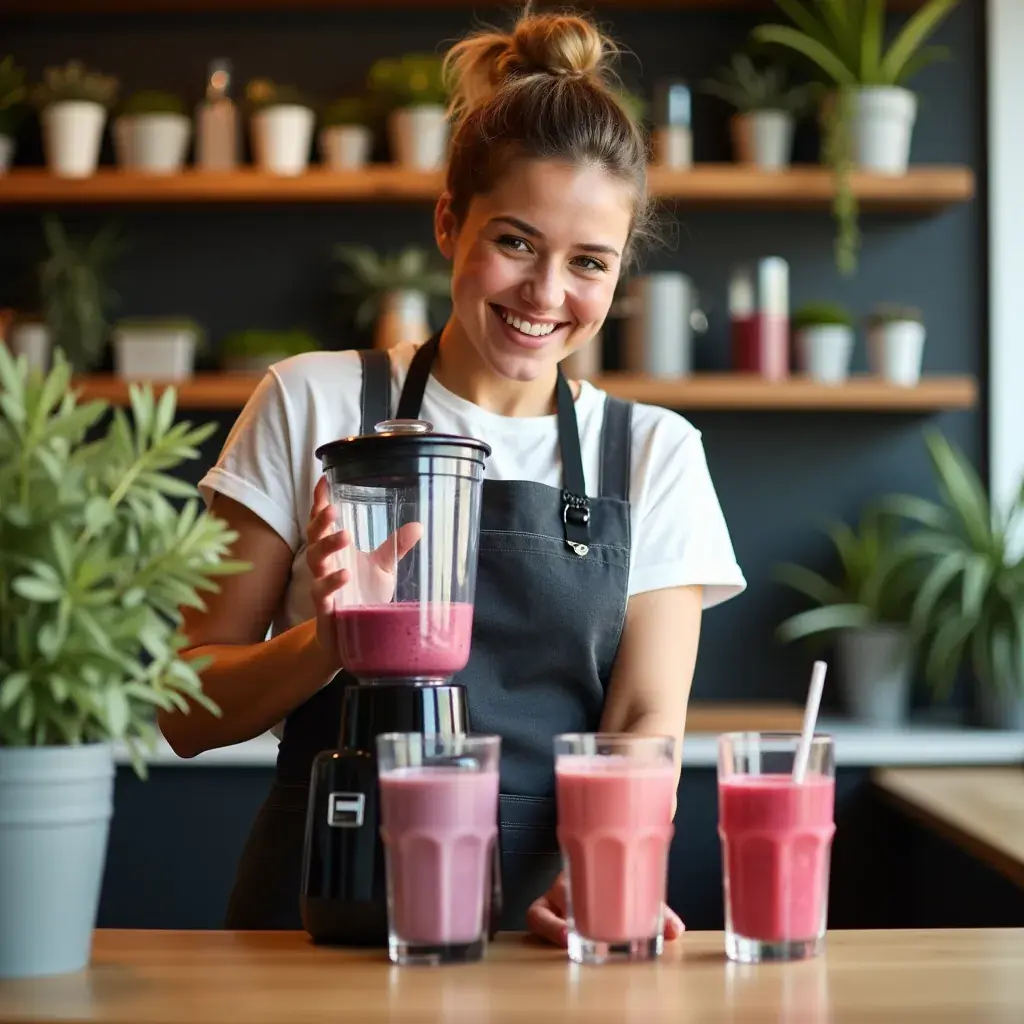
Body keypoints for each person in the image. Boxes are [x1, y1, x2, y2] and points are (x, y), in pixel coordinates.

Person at [158, 7, 746, 946]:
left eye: (588, 262)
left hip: (545, 924)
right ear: (448, 223)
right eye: (516, 242)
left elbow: (643, 718)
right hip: (317, 914)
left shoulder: (653, 450)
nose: (546, 295)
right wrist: (327, 642)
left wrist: (612, 861)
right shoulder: (313, 402)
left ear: (618, 272)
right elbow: (185, 711)